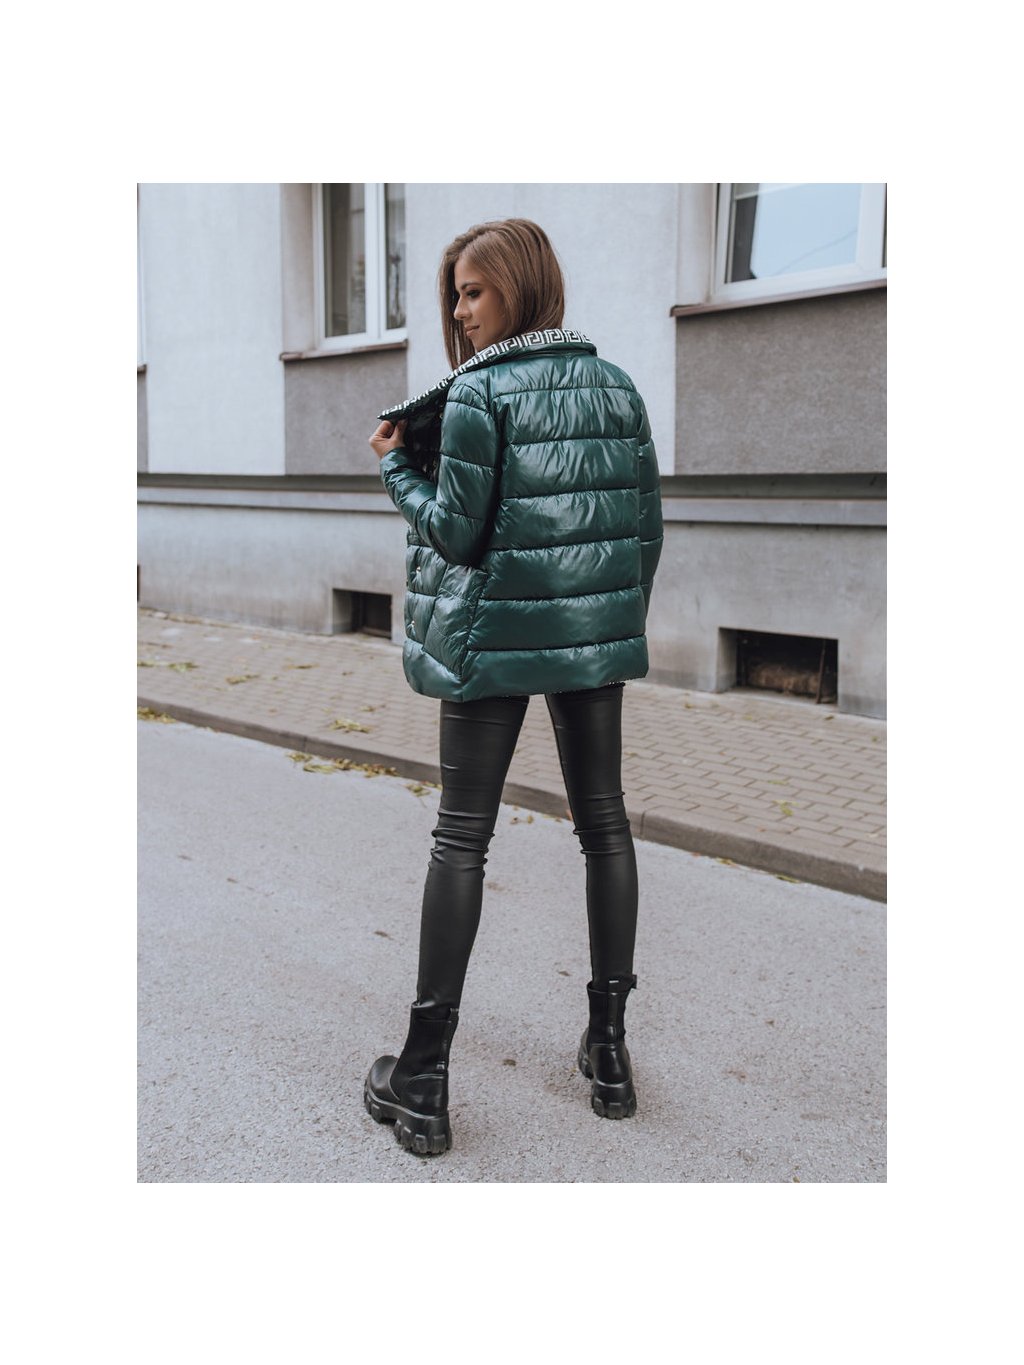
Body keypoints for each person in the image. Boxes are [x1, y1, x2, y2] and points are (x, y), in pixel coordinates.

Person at [364, 218, 663, 1156]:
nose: (459, 312)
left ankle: (423, 1074)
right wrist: (606, 617)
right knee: (605, 826)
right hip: (591, 643)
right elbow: (646, 530)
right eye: (454, 295)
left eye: (473, 292)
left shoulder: (476, 395)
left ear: (520, 287)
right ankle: (608, 1052)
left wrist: (395, 468)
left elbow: (457, 534)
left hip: (490, 641)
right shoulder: (618, 387)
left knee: (461, 838)